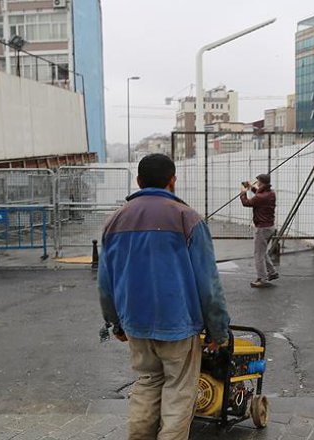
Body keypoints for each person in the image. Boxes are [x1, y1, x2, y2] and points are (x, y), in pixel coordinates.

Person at [99, 153, 231, 439]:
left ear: (138, 181)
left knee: (147, 382)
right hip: (178, 325)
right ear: (173, 180)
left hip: (135, 324)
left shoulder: (115, 221)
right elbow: (208, 284)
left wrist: (115, 323)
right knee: (179, 391)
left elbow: (105, 282)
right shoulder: (188, 219)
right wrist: (218, 330)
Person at [240, 174, 278, 288]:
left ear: (262, 183)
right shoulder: (271, 193)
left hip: (262, 228)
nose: (256, 183)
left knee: (258, 255)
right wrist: (251, 187)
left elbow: (246, 203)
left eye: (258, 181)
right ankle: (272, 272)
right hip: (269, 227)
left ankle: (262, 279)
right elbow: (259, 194)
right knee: (262, 252)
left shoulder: (261, 197)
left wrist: (243, 192)